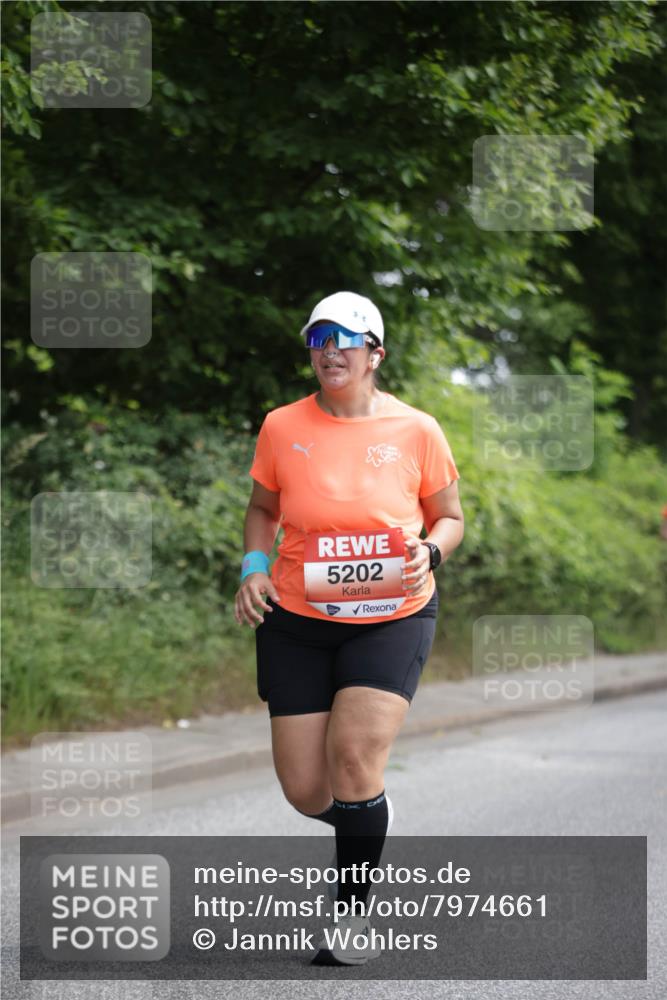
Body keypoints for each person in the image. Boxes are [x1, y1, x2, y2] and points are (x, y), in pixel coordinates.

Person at [234, 291, 464, 965]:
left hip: (392, 614)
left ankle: (352, 914)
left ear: (374, 355)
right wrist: (252, 569)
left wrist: (431, 551)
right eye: (317, 339)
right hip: (297, 618)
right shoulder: (281, 426)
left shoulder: (417, 429)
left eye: (344, 338)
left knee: (354, 761)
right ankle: (371, 817)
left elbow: (449, 516)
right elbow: (260, 509)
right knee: (305, 789)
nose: (329, 350)